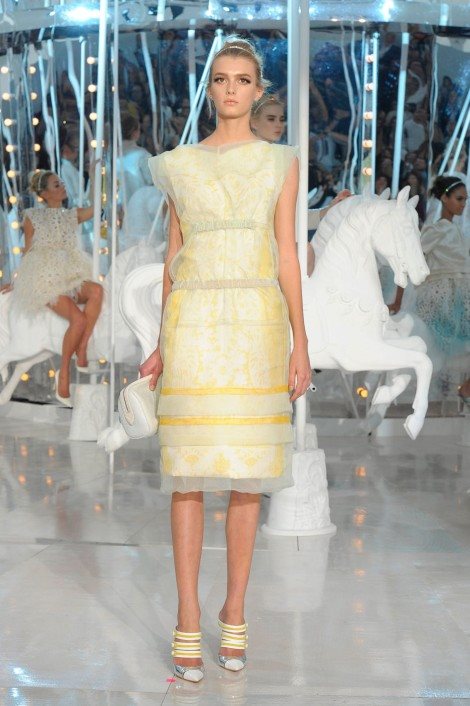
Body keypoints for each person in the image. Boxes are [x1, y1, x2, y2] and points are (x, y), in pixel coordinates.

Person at [140, 37, 311, 683]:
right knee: (187, 475)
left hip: (258, 325)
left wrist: (301, 341)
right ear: (210, 89)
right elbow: (172, 255)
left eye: (243, 79)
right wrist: (162, 340)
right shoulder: (177, 164)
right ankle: (187, 615)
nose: (232, 89)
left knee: (248, 474)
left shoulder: (280, 161)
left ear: (259, 90)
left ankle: (234, 607)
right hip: (193, 324)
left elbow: (287, 252)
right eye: (221, 79)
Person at [7, 170, 103, 405]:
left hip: (71, 273)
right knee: (78, 319)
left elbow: (97, 207)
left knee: (97, 291)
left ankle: (82, 347)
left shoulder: (72, 215)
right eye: (56, 185)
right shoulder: (33, 217)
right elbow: (28, 251)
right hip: (45, 279)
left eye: (61, 183)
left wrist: (95, 174)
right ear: (44, 193)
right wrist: (16, 280)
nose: (62, 186)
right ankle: (64, 373)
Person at [388, 176, 470, 400]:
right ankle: (462, 389)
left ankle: (463, 389)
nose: (463, 204)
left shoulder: (457, 231)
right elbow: (409, 262)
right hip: (443, 297)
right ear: (444, 198)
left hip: (461, 295)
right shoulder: (436, 230)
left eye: (465, 200)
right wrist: (398, 300)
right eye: (459, 199)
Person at [250, 95, 350, 275]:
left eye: (281, 119)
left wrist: (327, 211)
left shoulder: (281, 160)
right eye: (271, 119)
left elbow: (287, 217)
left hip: (273, 239)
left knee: (311, 252)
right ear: (253, 122)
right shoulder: (249, 160)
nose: (279, 125)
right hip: (249, 244)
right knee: (305, 253)